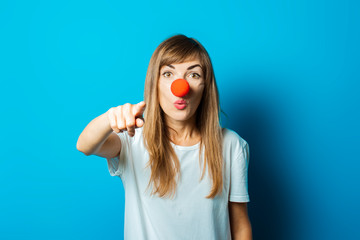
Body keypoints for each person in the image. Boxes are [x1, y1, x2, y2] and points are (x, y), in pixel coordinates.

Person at [76, 34, 252, 240]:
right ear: (155, 84)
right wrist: (110, 118)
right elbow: (85, 145)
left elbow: (240, 225)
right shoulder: (132, 139)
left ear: (205, 87)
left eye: (194, 75)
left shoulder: (231, 145)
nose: (181, 87)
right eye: (168, 73)